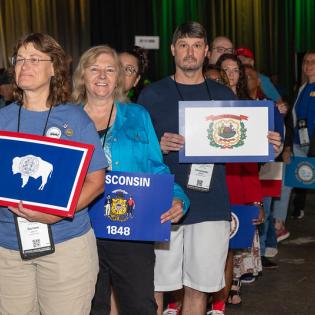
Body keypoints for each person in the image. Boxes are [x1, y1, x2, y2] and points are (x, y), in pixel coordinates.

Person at [72, 45, 189, 315]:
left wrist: (178, 197)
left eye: (110, 69)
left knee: (139, 306)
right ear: (82, 75)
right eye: (95, 68)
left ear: (118, 78)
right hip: (80, 230)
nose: (102, 75)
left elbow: (155, 168)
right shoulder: (66, 118)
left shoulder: (137, 116)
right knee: (90, 307)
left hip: (131, 228)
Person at [0, 33, 107, 315]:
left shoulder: (75, 119)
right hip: (7, 250)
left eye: (34, 59)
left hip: (66, 246)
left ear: (54, 68)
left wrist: (56, 213)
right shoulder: (2, 119)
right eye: (20, 59)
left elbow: (96, 182)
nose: (25, 65)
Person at [138, 21, 236, 315]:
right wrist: (158, 144)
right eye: (183, 45)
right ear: (172, 50)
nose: (189, 52)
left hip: (210, 202)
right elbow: (134, 150)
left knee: (199, 288)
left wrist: (266, 140)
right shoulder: (151, 95)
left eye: (196, 46)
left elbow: (242, 146)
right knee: (156, 285)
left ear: (206, 52)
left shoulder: (224, 96)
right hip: (163, 201)